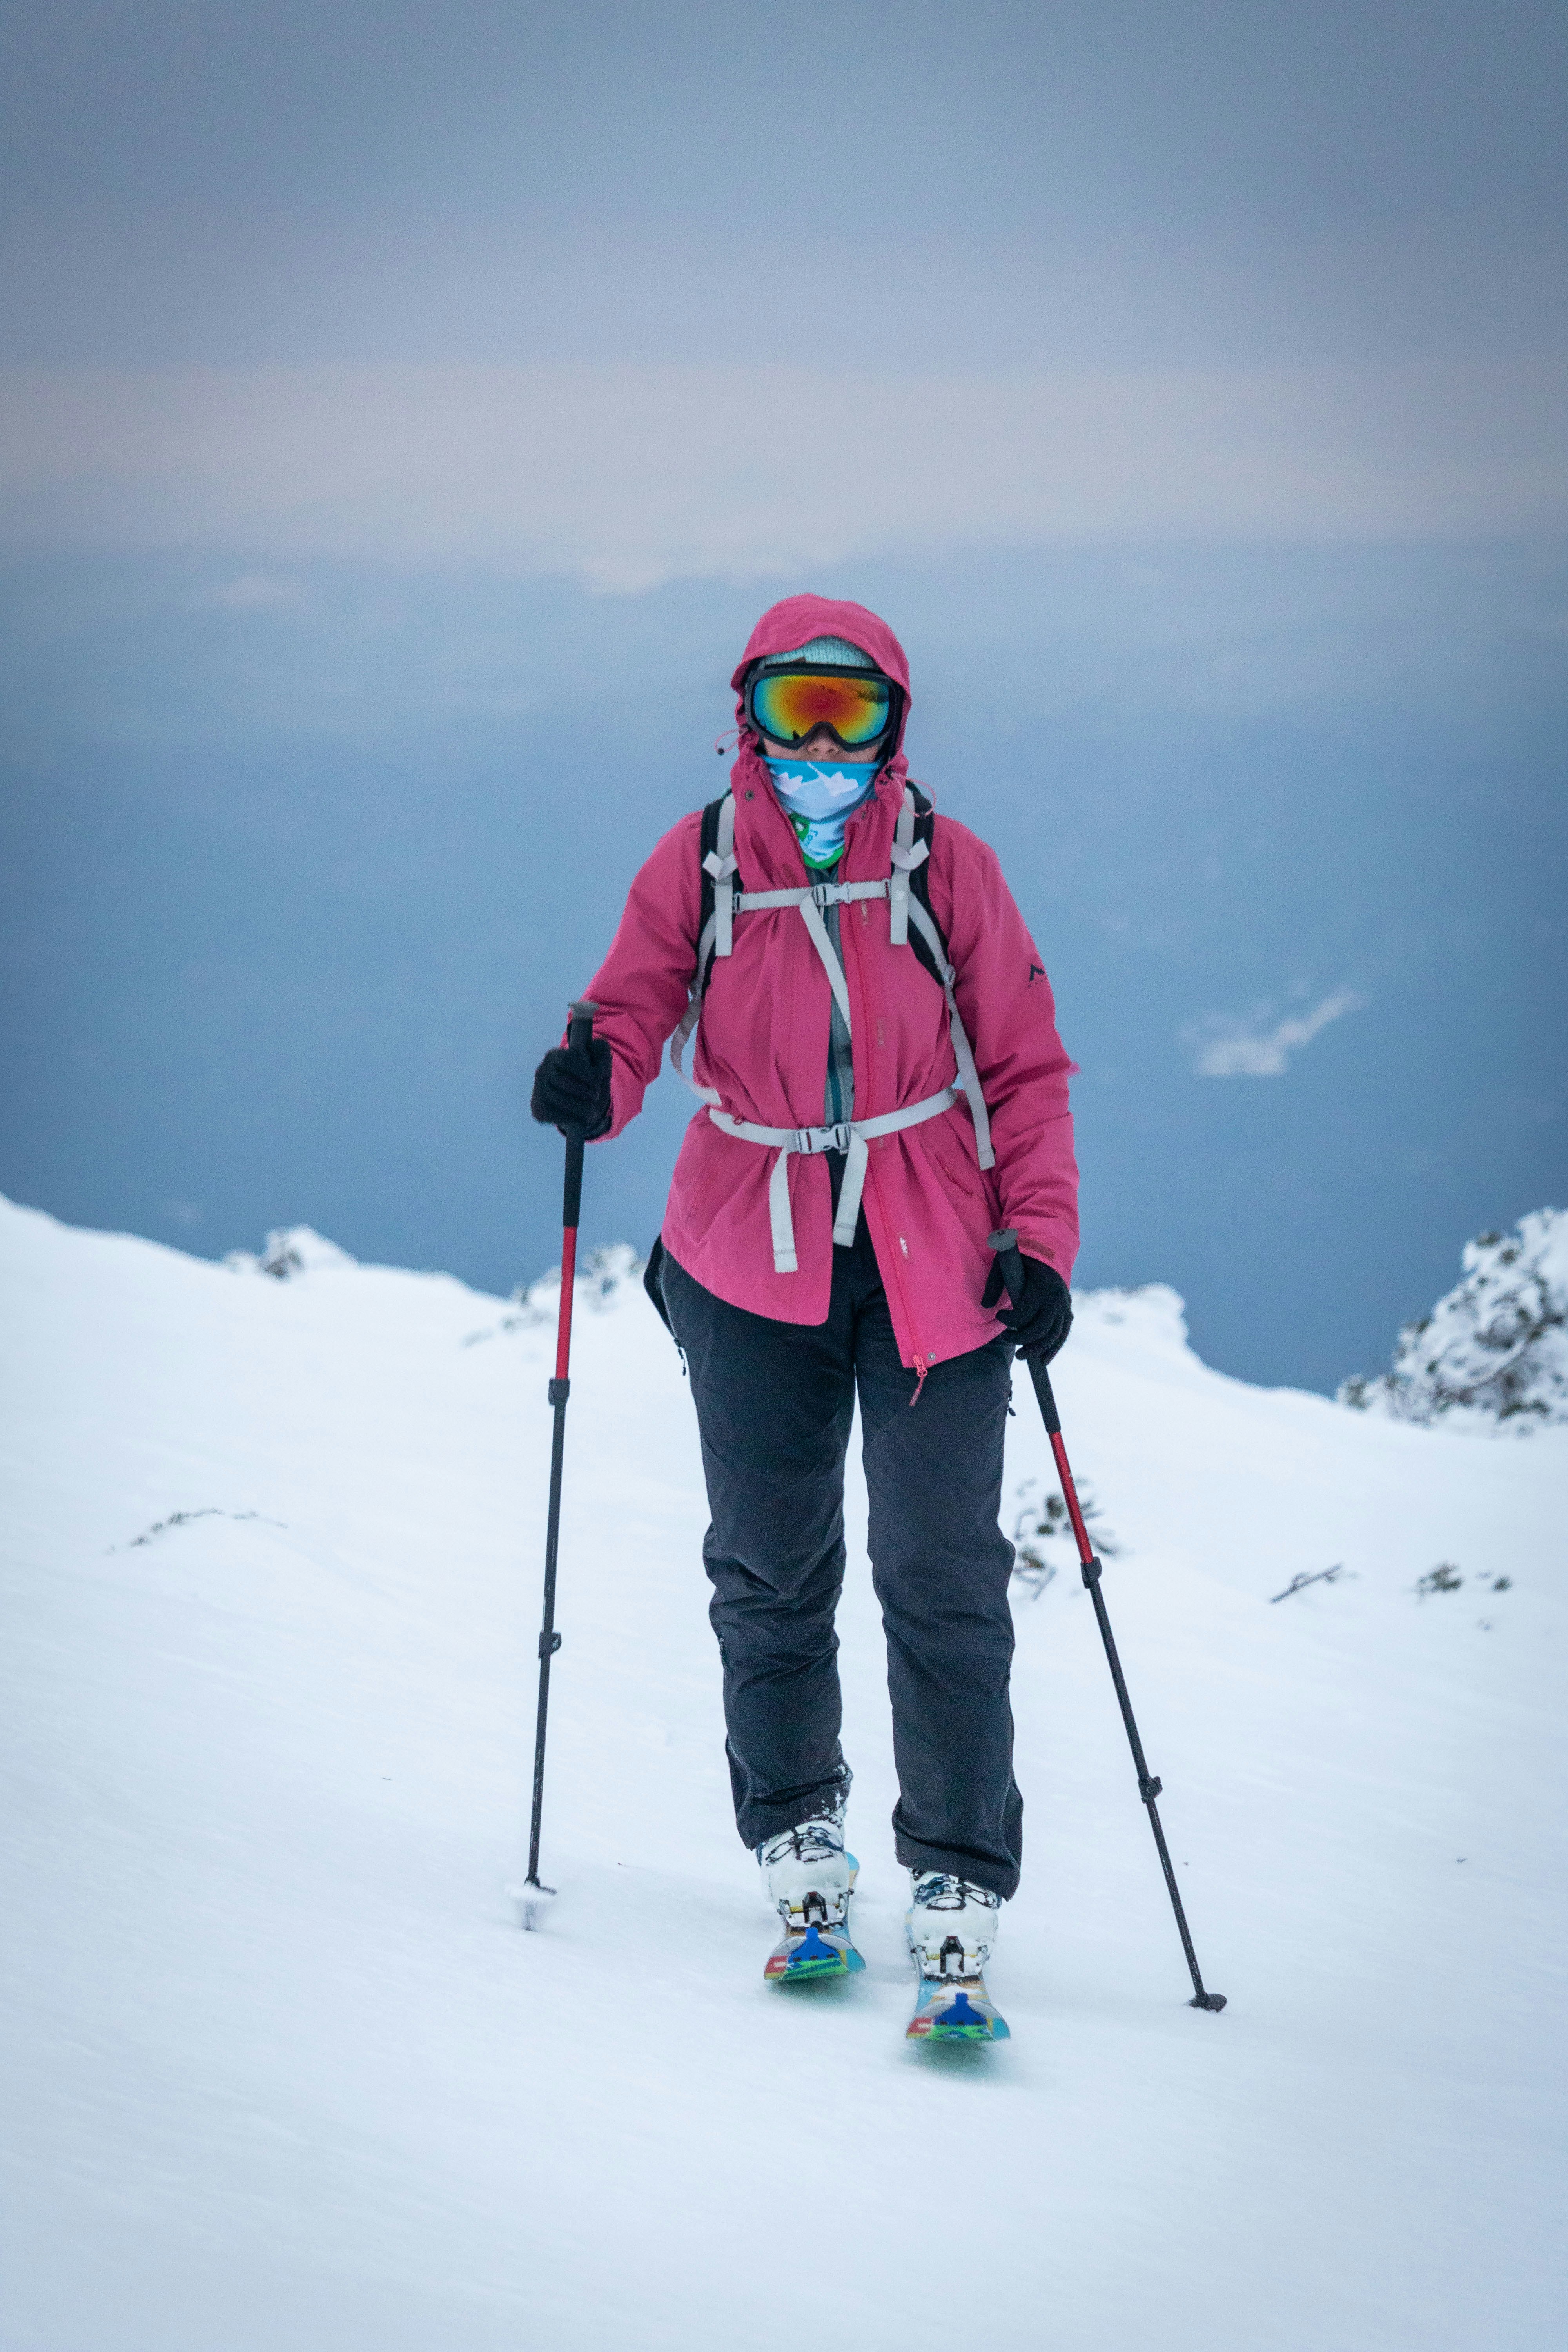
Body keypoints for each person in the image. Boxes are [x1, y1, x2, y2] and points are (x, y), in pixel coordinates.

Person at [531, 594, 1077, 2033]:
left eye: (852, 715)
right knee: (770, 1569)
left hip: (934, 1262)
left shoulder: (950, 869)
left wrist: (1044, 1241)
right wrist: (598, 1071)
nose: (820, 746)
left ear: (896, 726)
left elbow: (1023, 1067)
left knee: (944, 1574)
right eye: (794, 713)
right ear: (748, 717)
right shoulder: (704, 860)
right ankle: (799, 1835)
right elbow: (633, 1008)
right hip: (743, 1251)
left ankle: (956, 1868)